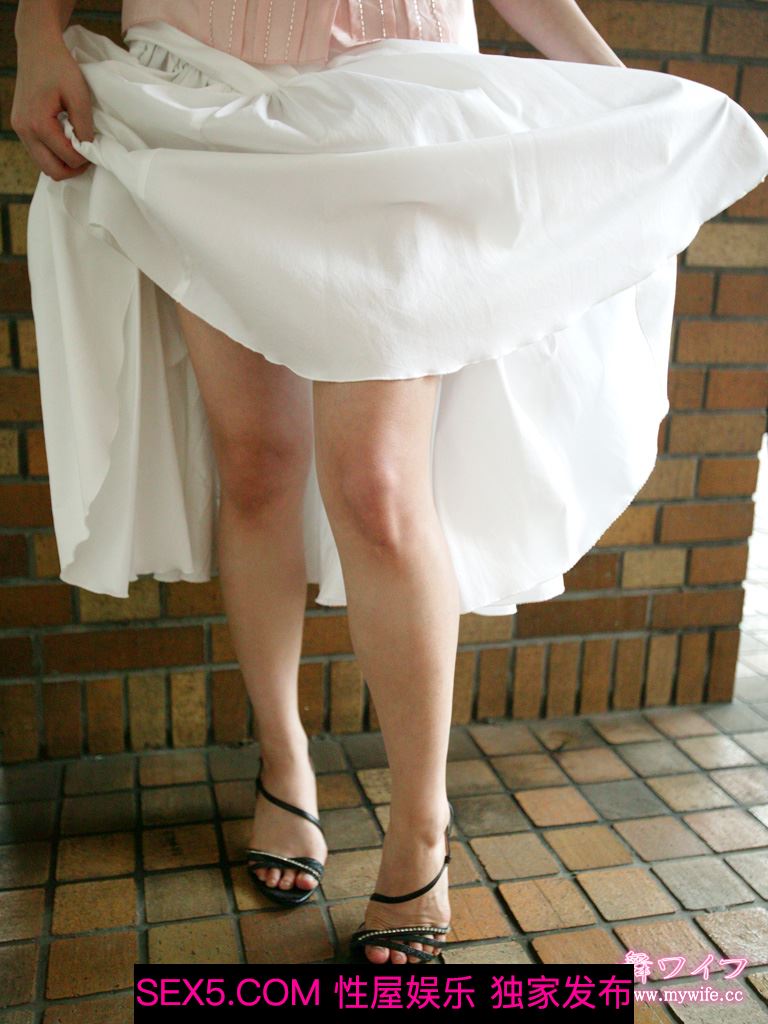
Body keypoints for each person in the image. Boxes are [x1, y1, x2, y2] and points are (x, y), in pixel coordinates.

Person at [13, 0, 768, 966]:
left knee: (377, 483)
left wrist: (607, 90)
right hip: (200, 98)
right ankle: (284, 762)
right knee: (255, 464)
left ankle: (420, 827)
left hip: (394, 97)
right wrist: (37, 33)